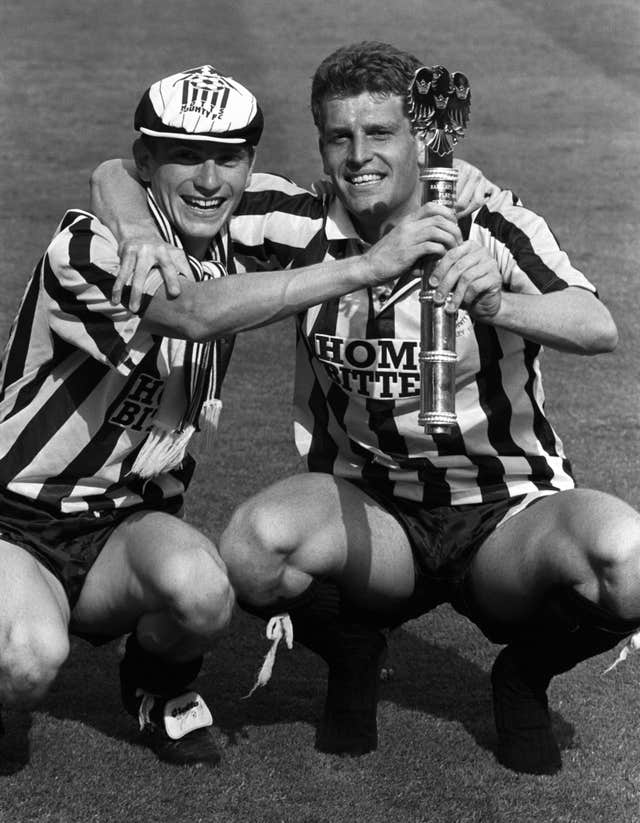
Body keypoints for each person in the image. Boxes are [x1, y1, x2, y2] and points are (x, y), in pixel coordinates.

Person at [90, 42, 639, 776]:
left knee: (630, 560)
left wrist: (499, 301)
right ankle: (351, 646)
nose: (359, 156)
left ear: (421, 139)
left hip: (508, 514)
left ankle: (523, 676)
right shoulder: (294, 221)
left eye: (380, 134)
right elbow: (121, 171)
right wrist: (131, 231)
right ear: (320, 146)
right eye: (339, 137)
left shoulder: (489, 221)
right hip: (374, 518)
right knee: (251, 548)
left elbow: (595, 325)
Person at [0, 62, 480, 769]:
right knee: (27, 659)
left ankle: (156, 685)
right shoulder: (90, 246)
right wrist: (362, 269)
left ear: (250, 164)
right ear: (148, 161)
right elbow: (191, 313)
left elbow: (368, 202)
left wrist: (458, 180)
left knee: (206, 593)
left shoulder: (251, 223)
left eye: (228, 157)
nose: (208, 179)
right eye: (185, 155)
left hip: (122, 523)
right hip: (17, 515)